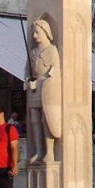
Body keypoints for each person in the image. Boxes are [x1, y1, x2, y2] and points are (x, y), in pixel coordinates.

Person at [27, 18, 62, 163]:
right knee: (34, 119)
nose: (34, 36)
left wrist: (47, 79)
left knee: (46, 118)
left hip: (47, 87)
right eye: (34, 32)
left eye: (37, 32)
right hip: (34, 87)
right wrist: (29, 81)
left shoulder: (52, 50)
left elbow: (55, 69)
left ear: (45, 32)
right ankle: (39, 151)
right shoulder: (34, 52)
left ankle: (49, 152)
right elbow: (27, 69)